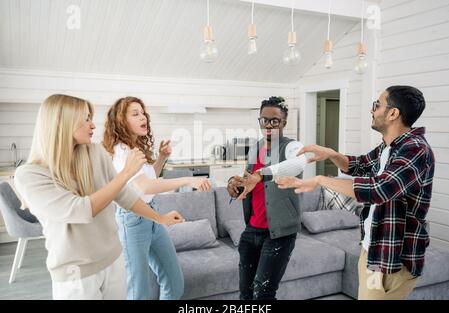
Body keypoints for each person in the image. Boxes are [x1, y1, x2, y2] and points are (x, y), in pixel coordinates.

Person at [14, 94, 183, 300]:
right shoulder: (29, 175)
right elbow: (80, 210)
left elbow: (124, 195)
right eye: (86, 118)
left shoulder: (94, 152)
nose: (93, 125)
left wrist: (160, 218)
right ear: (62, 121)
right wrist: (126, 174)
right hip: (75, 273)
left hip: (113, 260)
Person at [277, 86, 435, 300]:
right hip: (374, 251)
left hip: (393, 261)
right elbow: (359, 165)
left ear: (393, 113)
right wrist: (331, 154)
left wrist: (321, 180)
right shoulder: (388, 148)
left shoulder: (415, 150)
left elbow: (378, 189)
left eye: (377, 105)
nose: (372, 110)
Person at [102, 96, 212, 300]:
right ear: (121, 121)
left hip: (151, 216)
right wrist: (187, 180)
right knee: (138, 292)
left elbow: (147, 180)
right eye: (135, 114)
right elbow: (144, 186)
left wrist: (161, 157)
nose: (143, 117)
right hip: (132, 221)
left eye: (143, 112)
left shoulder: (136, 147)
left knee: (174, 282)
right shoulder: (121, 150)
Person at [227, 96, 307, 300]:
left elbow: (299, 164)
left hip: (278, 235)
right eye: (264, 120)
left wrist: (261, 174)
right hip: (251, 231)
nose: (269, 125)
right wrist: (235, 185)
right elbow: (248, 180)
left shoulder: (291, 147)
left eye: (275, 121)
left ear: (284, 123)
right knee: (246, 295)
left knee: (263, 294)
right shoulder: (256, 147)